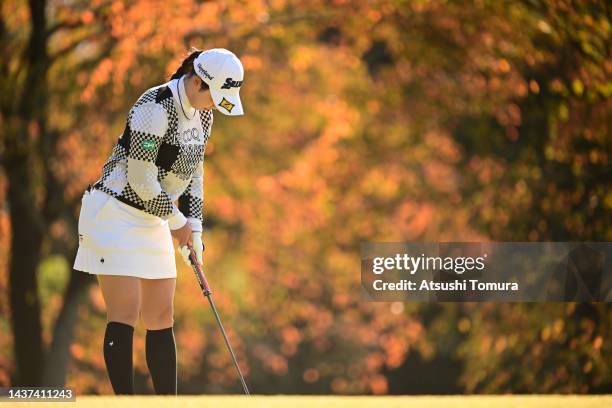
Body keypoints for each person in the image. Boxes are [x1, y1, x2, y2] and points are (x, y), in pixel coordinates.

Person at [73, 47, 244, 395]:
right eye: (215, 94)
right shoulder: (154, 106)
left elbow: (194, 174)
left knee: (161, 315)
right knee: (125, 311)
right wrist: (177, 221)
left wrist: (194, 228)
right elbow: (140, 178)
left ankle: (168, 403)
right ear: (197, 81)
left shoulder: (203, 114)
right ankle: (126, 403)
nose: (216, 103)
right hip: (114, 211)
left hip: (154, 215)